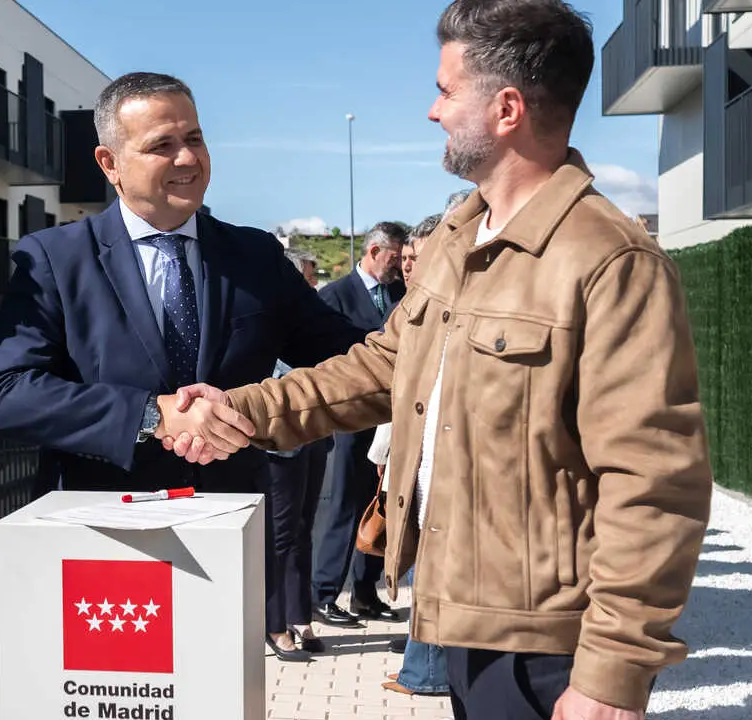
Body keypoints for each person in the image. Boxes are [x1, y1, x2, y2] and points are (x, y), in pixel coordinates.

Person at [158, 1, 713, 717]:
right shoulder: (458, 236)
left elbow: (654, 483)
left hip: (549, 646)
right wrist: (242, 408)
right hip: (457, 618)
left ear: (507, 108)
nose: (432, 110)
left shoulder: (610, 260)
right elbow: (384, 365)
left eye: (448, 90)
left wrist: (613, 673)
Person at [0, 71, 363, 660]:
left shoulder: (254, 255)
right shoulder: (54, 259)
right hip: (102, 549)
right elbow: (4, 395)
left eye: (196, 138)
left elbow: (348, 356)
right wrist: (150, 415)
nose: (188, 158)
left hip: (226, 539)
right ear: (109, 162)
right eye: (162, 145)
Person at [310, 222, 408, 627]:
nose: (400, 265)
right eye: (394, 257)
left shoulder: (402, 296)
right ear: (372, 251)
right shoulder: (334, 297)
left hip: (391, 421)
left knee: (378, 505)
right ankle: (325, 594)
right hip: (352, 419)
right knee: (346, 505)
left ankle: (366, 595)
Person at [373, 212, 450, 698]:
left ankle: (427, 674)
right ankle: (425, 671)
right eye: (407, 258)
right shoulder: (414, 309)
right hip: (418, 482)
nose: (410, 267)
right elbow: (376, 373)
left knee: (435, 581)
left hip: (453, 499)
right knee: (425, 579)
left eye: (420, 258)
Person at [264, 248, 331, 658]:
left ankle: (301, 615)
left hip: (314, 437)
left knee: (305, 528)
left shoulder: (310, 320)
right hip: (279, 444)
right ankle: (274, 626)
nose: (311, 285)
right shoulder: (267, 319)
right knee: (281, 533)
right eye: (305, 278)